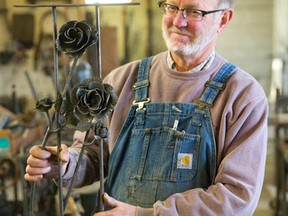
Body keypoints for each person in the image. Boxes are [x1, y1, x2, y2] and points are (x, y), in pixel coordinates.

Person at [24, 0, 269, 215]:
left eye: (193, 11)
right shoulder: (120, 81)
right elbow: (94, 156)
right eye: (171, 7)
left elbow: (236, 199)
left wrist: (145, 214)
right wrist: (64, 165)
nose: (177, 21)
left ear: (223, 19)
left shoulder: (243, 95)